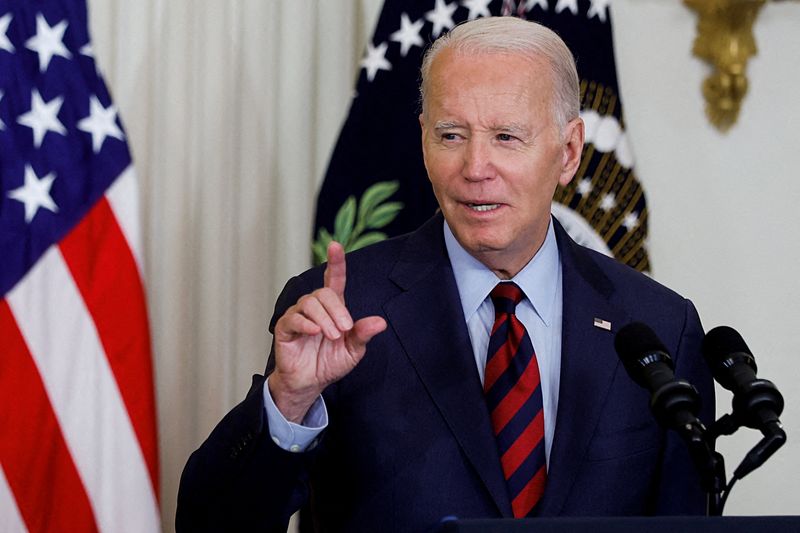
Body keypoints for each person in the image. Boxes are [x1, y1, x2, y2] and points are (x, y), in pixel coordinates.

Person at [176, 16, 714, 532]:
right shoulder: (342, 309)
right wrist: (288, 403)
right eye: (451, 135)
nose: (475, 167)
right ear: (423, 140)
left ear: (569, 151)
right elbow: (211, 526)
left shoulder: (660, 327)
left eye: (506, 137)